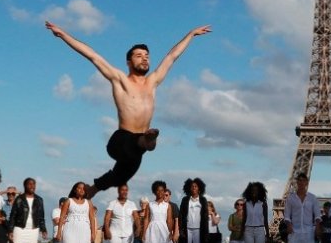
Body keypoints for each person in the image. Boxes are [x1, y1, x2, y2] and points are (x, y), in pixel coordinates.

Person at [45, 21, 211, 199]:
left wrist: (191, 34)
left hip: (137, 150)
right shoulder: (120, 79)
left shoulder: (152, 82)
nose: (145, 58)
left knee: (119, 177)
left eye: (147, 55)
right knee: (141, 145)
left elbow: (171, 57)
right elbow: (92, 55)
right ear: (128, 61)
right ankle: (148, 140)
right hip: (121, 140)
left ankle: (92, 189)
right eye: (139, 55)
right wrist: (63, 34)